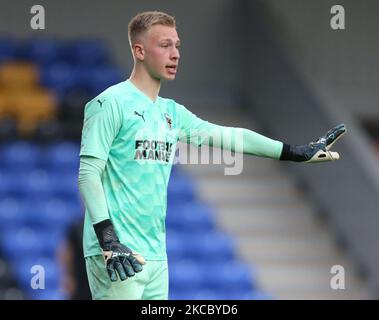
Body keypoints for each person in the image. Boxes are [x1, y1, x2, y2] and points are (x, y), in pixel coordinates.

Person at [78, 11, 346, 300]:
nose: (175, 54)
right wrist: (108, 240)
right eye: (165, 45)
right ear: (139, 51)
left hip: (155, 256)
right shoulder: (109, 103)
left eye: (177, 45)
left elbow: (230, 137)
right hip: (118, 254)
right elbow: (88, 174)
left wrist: (295, 152)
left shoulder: (171, 112)